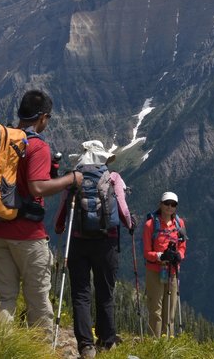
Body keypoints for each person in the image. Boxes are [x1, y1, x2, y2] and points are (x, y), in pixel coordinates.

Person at [0, 89, 83, 336]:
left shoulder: (4, 139)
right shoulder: (37, 146)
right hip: (27, 235)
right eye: (47, 118)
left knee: (4, 296)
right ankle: (39, 348)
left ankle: (0, 346)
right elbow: (36, 187)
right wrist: (71, 179)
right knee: (38, 300)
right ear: (42, 117)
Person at [54, 140, 136, 358]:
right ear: (103, 158)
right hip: (105, 242)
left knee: (81, 293)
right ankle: (107, 339)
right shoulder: (113, 177)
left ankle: (85, 345)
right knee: (105, 291)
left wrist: (60, 226)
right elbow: (123, 210)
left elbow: (63, 208)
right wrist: (130, 224)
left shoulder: (74, 177)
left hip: (78, 242)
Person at [143, 191, 187, 337]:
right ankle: (155, 343)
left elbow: (183, 245)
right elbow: (146, 252)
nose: (169, 207)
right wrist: (161, 256)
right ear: (160, 204)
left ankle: (167, 342)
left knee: (170, 309)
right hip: (155, 270)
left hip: (173, 271)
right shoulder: (150, 225)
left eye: (173, 204)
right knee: (156, 308)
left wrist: (178, 255)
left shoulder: (180, 224)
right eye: (166, 203)